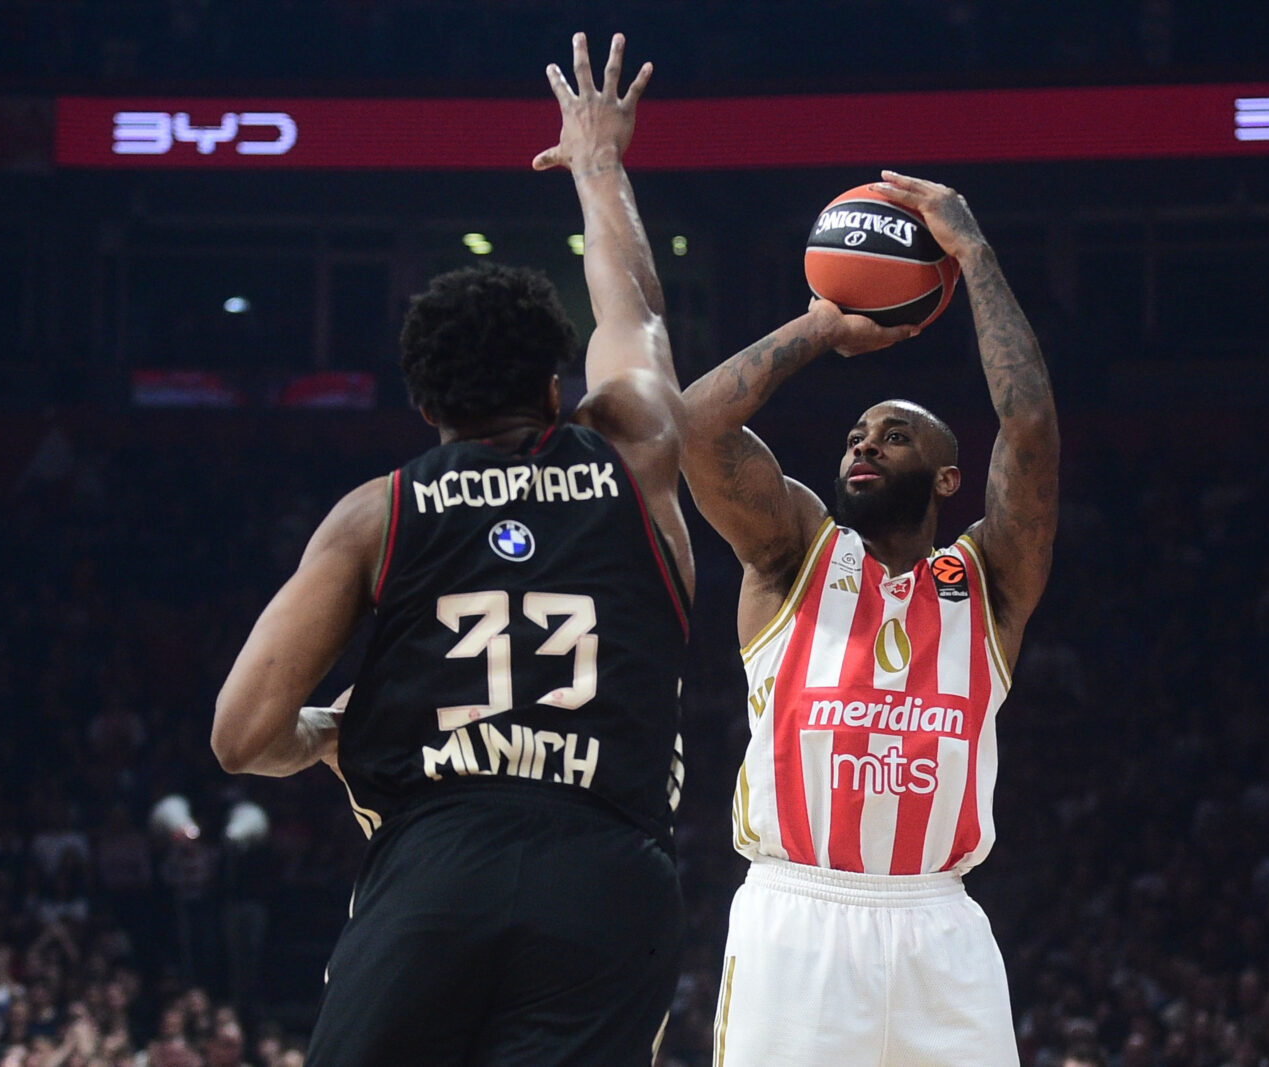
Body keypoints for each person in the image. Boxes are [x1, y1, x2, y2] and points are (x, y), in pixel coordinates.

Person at [211, 32, 693, 1066]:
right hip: (607, 868)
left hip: (435, 865)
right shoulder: (638, 448)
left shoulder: (374, 514)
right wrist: (600, 165)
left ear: (422, 401)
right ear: (559, 387)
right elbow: (636, 311)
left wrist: (324, 730)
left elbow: (241, 733)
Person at [680, 171, 1059, 1065]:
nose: (864, 444)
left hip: (940, 922)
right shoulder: (794, 555)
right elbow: (694, 429)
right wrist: (821, 324)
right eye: (856, 434)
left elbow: (1031, 424)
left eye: (894, 436)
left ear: (946, 477)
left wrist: (972, 251)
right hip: (798, 915)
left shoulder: (989, 584)